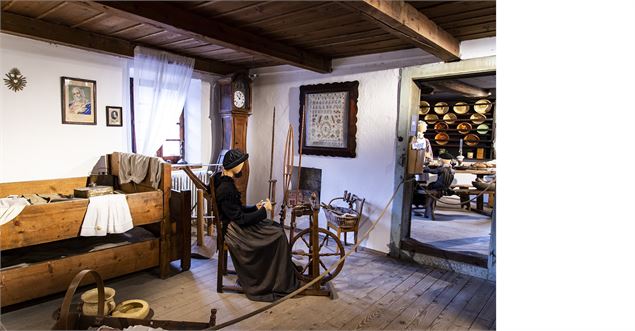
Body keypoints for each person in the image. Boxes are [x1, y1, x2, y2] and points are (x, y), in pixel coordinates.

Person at [213, 149, 299, 302]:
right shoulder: (225, 189)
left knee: (275, 227)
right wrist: (263, 211)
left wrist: (255, 207)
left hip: (235, 224)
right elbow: (241, 219)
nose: (243, 166)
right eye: (241, 164)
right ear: (234, 165)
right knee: (277, 234)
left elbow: (236, 210)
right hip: (235, 231)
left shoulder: (223, 181)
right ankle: (275, 280)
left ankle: (280, 273)